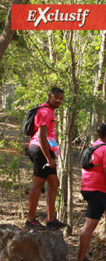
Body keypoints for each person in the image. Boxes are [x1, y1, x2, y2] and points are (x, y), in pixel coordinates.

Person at [76, 123, 106, 261]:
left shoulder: (92, 147)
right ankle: (81, 260)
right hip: (97, 190)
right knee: (89, 226)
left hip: (87, 188)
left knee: (104, 205)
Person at [26, 87, 66, 230]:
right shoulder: (44, 111)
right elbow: (42, 136)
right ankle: (30, 219)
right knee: (38, 183)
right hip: (40, 149)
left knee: (54, 182)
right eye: (56, 97)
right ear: (49, 96)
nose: (59, 101)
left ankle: (51, 220)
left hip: (46, 150)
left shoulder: (50, 111)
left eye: (61, 98)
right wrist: (49, 158)